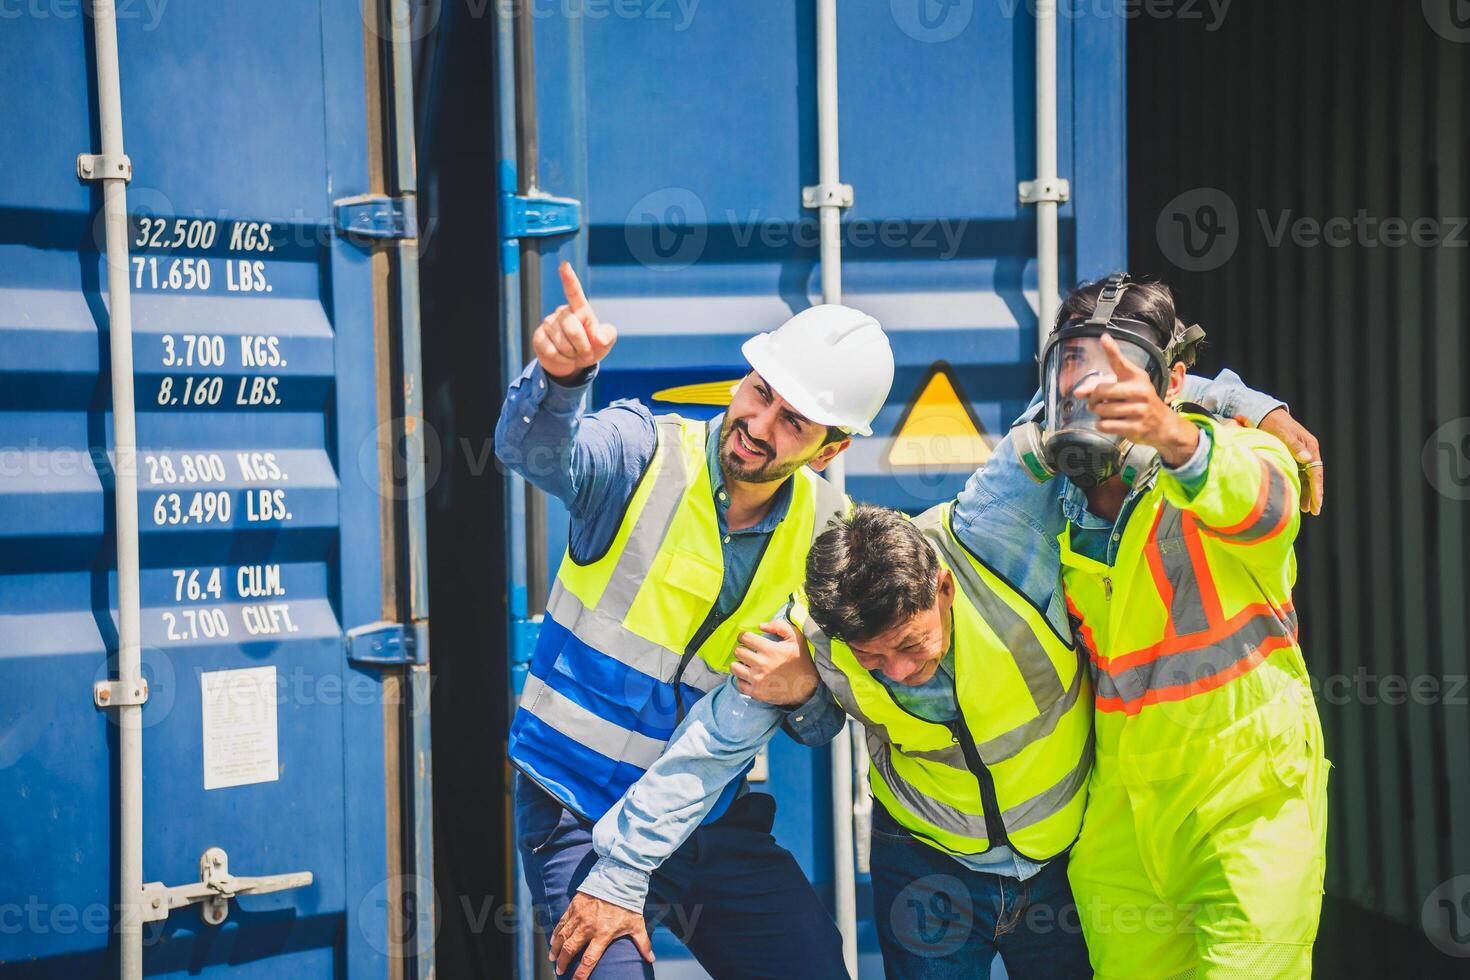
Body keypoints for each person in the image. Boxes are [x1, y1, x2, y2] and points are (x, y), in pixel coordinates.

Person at [547, 315, 1321, 975]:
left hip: (1060, 865)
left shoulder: (994, 534)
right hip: (928, 871)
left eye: (910, 647)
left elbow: (1087, 379)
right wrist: (618, 876)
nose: (896, 672)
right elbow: (710, 744)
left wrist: (1242, 403)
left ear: (943, 588)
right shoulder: (820, 635)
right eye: (874, 660)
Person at [495, 261, 892, 978]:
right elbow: (535, 452)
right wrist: (558, 383)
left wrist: (804, 689)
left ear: (831, 450)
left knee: (810, 966)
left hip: (702, 816)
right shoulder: (641, 452)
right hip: (576, 811)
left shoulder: (832, 534)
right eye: (759, 394)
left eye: (792, 421)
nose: (758, 425)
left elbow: (829, 720)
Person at [1034, 274, 1328, 978]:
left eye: (1121, 368)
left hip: (1247, 808)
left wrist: (1177, 436)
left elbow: (1267, 507)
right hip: (1124, 826)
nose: (1091, 388)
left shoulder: (1238, 451)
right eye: (1074, 363)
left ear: (1171, 383)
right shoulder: (1048, 499)